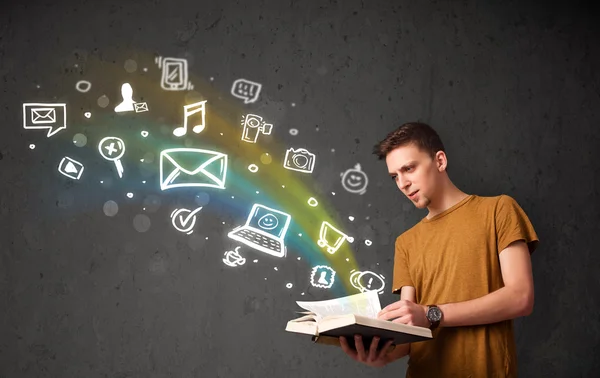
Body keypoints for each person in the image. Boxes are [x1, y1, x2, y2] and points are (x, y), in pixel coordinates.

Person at [339, 122, 539, 377]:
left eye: (408, 168)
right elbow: (410, 335)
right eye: (394, 177)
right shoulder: (406, 242)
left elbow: (521, 297)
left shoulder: (499, 210)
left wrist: (433, 314)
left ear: (440, 161)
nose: (402, 183)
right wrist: (380, 356)